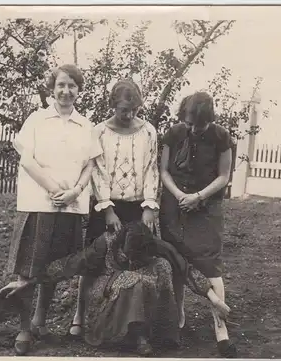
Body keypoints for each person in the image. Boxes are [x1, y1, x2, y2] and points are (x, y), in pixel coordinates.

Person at [0, 221, 231, 357]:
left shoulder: (157, 247)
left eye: (138, 258)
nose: (131, 260)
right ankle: (131, 337)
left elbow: (186, 269)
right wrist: (28, 281)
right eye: (127, 256)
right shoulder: (104, 244)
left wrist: (214, 299)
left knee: (163, 267)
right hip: (107, 299)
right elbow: (68, 265)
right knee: (132, 279)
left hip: (142, 297)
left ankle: (154, 332)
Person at [5, 64, 102, 355]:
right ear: (52, 88)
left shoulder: (85, 125)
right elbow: (27, 161)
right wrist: (52, 188)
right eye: (61, 85)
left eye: (72, 86)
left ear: (78, 91)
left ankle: (40, 322)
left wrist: (74, 191)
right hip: (39, 205)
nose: (66, 91)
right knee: (30, 269)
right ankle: (24, 329)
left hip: (69, 207)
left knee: (54, 269)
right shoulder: (37, 119)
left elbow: (90, 165)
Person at [69, 79, 160, 339]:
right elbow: (96, 171)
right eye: (123, 110)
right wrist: (107, 209)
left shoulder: (149, 131)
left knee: (138, 262)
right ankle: (80, 315)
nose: (129, 115)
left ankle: (135, 324)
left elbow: (151, 169)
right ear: (112, 106)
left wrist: (149, 206)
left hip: (138, 206)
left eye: (134, 110)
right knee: (93, 261)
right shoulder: (99, 131)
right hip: (106, 204)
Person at [159, 92, 237, 358]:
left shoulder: (221, 137)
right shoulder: (174, 133)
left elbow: (224, 176)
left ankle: (221, 329)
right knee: (176, 261)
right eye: (189, 123)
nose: (193, 129)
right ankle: (178, 319)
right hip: (175, 206)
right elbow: (164, 171)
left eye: (199, 125)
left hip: (206, 208)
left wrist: (199, 197)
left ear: (210, 119)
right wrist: (180, 196)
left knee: (209, 264)